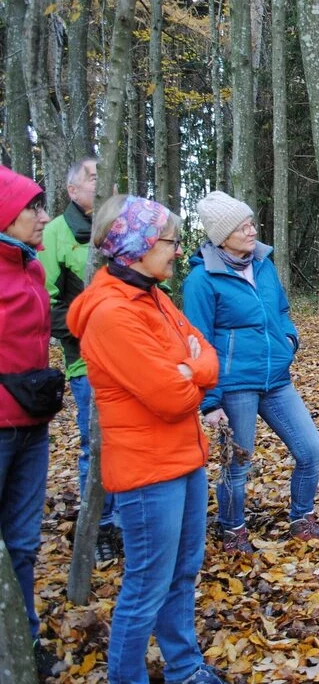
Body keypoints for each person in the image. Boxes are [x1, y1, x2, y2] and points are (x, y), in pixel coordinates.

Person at [68, 195, 227, 683]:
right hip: (145, 471)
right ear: (136, 246)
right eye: (169, 241)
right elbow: (173, 397)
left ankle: (184, 668)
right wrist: (189, 370)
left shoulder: (152, 295)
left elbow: (208, 358)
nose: (177, 251)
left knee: (182, 575)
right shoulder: (112, 313)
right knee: (146, 586)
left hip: (184, 458)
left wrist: (192, 366)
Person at [182, 191, 319, 554]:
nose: (251, 231)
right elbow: (197, 342)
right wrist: (210, 401)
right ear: (221, 236)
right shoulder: (201, 280)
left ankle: (302, 518)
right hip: (234, 386)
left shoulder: (265, 265)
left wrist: (289, 338)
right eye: (242, 226)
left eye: (251, 223)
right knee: (237, 465)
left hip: (277, 381)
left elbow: (281, 309)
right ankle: (233, 531)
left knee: (312, 449)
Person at [37, 156, 124, 561]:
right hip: (88, 363)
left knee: (129, 441)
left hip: (132, 360)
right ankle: (99, 527)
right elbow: (45, 305)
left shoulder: (122, 228)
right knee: (98, 446)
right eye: (93, 177)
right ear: (73, 191)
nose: (102, 182)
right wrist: (93, 330)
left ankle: (125, 522)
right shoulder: (55, 234)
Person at [0, 165, 58, 674]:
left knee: (22, 541)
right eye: (32, 209)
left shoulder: (31, 267)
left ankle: (25, 639)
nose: (42, 217)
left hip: (32, 424)